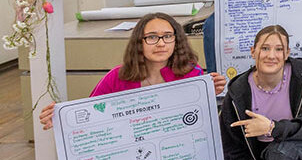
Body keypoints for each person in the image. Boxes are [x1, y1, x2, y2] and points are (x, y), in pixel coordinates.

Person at [37, 13, 226, 129]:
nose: (161, 43)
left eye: (167, 36)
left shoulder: (192, 75)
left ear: (176, 41)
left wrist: (211, 93)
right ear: (139, 42)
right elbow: (91, 114)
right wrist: (61, 117)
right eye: (152, 37)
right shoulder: (116, 78)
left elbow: (199, 121)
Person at [221, 25, 302, 160]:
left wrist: (273, 128)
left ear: (287, 53)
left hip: (297, 154)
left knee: (279, 153)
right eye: (265, 48)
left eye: (279, 49)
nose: (272, 55)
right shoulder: (237, 93)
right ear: (253, 51)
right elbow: (233, 149)